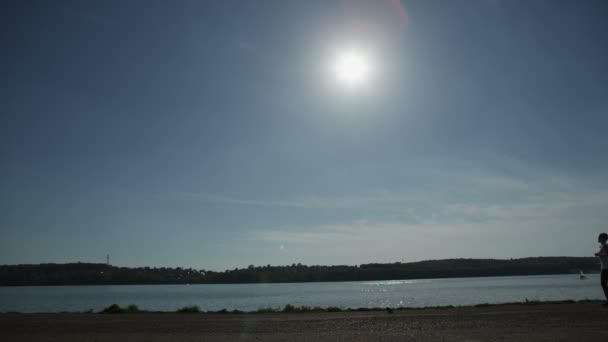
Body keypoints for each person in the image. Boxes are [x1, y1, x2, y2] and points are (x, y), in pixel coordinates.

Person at [594, 233, 608, 306]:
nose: (599, 238)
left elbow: (606, 254)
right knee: (604, 284)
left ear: (604, 238)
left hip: (606, 268)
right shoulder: (603, 246)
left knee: (603, 284)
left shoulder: (605, 246)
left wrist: (598, 254)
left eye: (600, 237)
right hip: (604, 267)